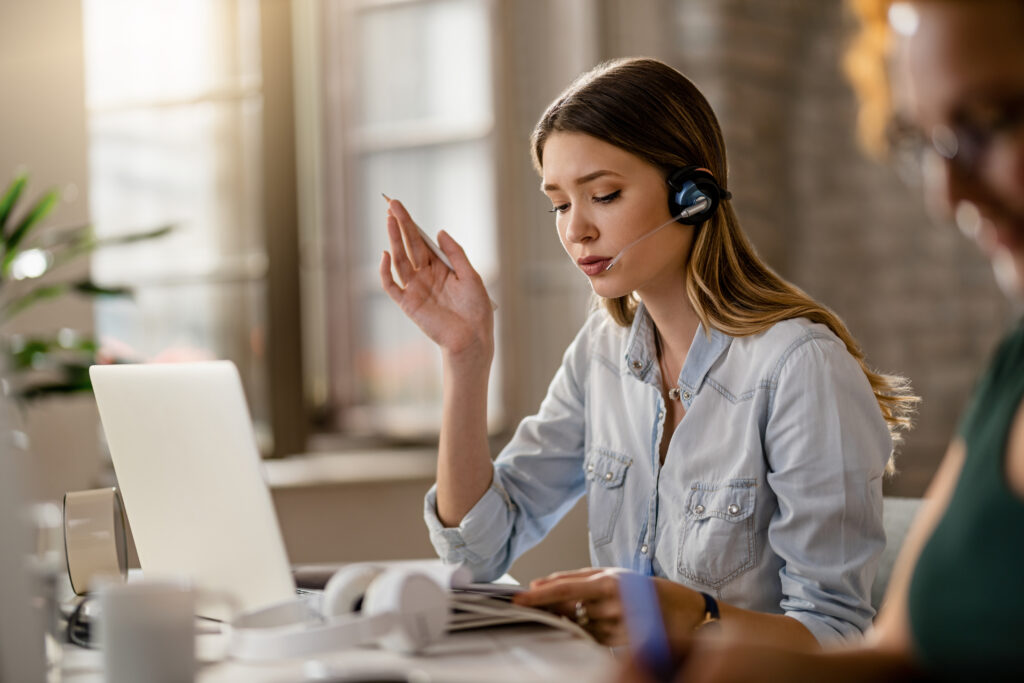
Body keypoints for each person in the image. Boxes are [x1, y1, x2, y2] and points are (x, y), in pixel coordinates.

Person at [379, 57, 917, 649]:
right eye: (560, 203)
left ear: (692, 194)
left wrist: (688, 615)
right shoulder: (601, 354)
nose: (575, 230)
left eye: (603, 195)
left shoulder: (800, 367)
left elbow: (834, 633)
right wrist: (466, 356)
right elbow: (476, 549)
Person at [612, 1, 1024, 680]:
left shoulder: (798, 361)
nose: (945, 194)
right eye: (924, 143)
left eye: (986, 123)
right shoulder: (1012, 368)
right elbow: (899, 652)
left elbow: (835, 617)